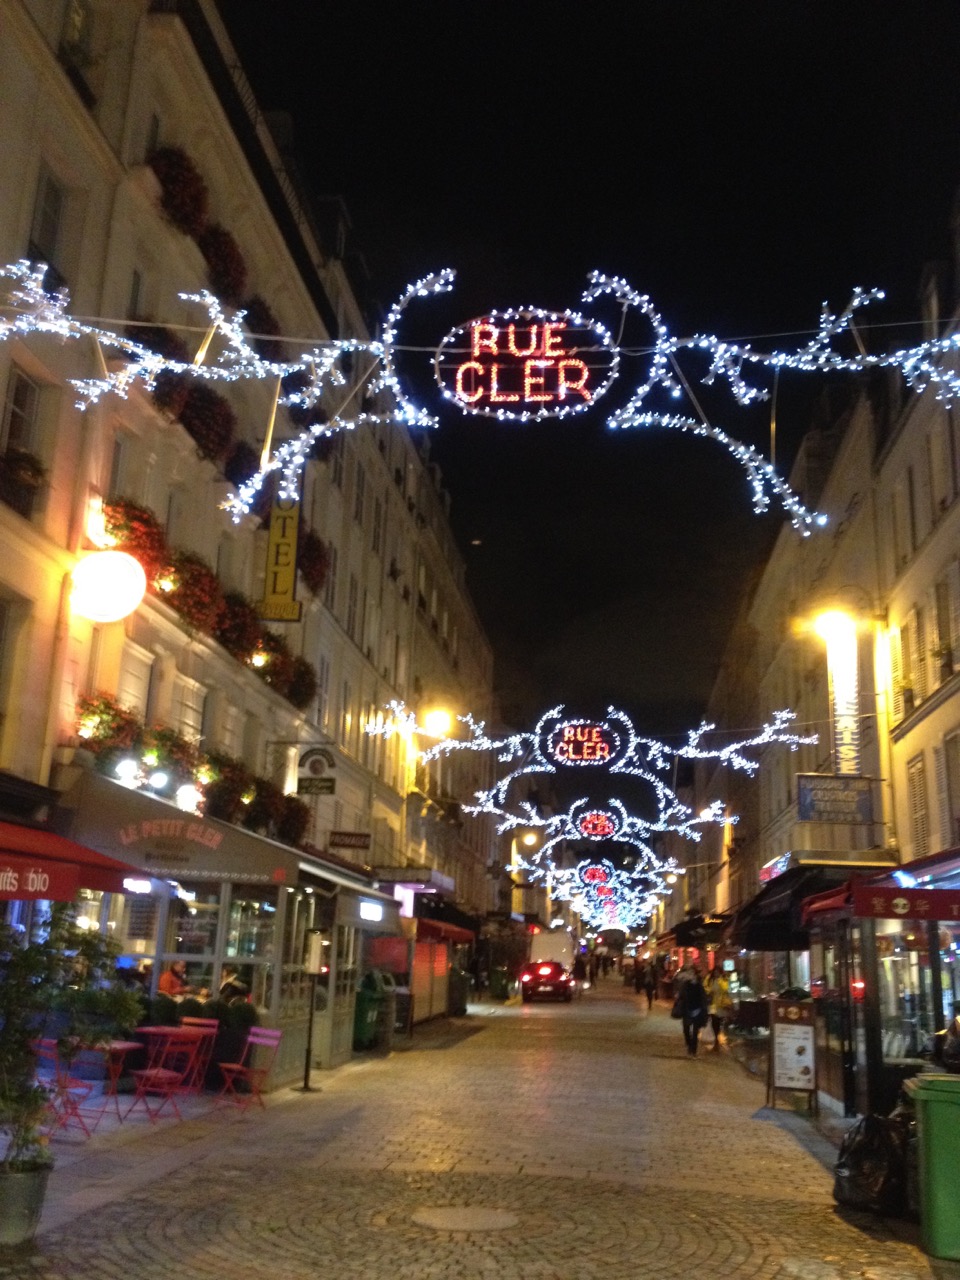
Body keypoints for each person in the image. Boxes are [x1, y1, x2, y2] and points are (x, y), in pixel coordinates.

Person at [677, 966, 708, 1056]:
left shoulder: (699, 984)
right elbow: (681, 995)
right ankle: (689, 1044)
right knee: (686, 1029)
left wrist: (704, 1008)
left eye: (691, 973)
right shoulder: (685, 984)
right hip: (687, 1009)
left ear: (695, 974)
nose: (690, 975)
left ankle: (693, 1050)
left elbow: (703, 997)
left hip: (697, 1009)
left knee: (695, 1032)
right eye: (689, 973)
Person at [705, 966, 734, 1048]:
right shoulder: (711, 980)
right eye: (715, 972)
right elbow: (708, 989)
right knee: (714, 1021)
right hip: (713, 1004)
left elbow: (726, 988)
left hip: (722, 1004)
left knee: (721, 1021)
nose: (716, 973)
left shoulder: (723, 979)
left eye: (717, 972)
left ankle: (720, 1037)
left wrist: (720, 981)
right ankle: (716, 1040)